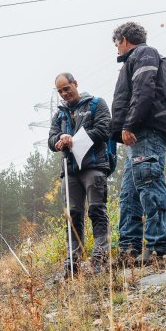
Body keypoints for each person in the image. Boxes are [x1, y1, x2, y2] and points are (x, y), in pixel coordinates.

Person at [110, 22, 166, 266]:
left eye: (116, 44)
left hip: (145, 131)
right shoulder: (134, 60)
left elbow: (144, 89)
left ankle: (158, 248)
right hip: (136, 137)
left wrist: (130, 124)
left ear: (125, 39)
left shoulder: (144, 53)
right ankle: (129, 251)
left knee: (149, 183)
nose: (116, 50)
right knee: (129, 195)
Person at [48, 73, 114, 275]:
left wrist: (73, 140)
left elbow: (105, 130)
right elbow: (51, 140)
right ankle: (73, 264)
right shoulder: (59, 114)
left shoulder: (96, 104)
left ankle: (100, 259)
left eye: (67, 88)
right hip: (70, 172)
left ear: (75, 84)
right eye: (60, 91)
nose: (64, 93)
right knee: (73, 216)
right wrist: (60, 139)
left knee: (97, 211)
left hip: (94, 166)